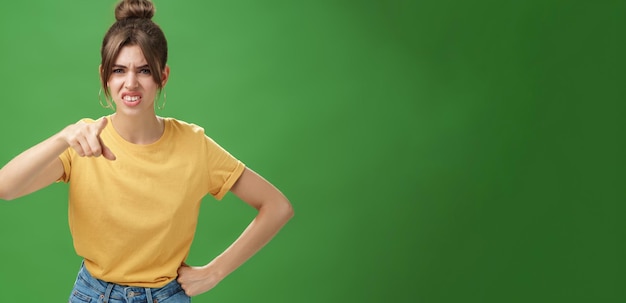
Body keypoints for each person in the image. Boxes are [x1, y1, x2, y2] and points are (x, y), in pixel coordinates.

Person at [0, 0, 293, 302]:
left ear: (162, 76)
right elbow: (6, 187)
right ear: (105, 75)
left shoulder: (194, 145)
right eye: (119, 70)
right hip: (93, 294)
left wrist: (215, 271)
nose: (130, 83)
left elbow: (277, 206)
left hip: (166, 296)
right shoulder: (83, 140)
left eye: (143, 70)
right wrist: (62, 137)